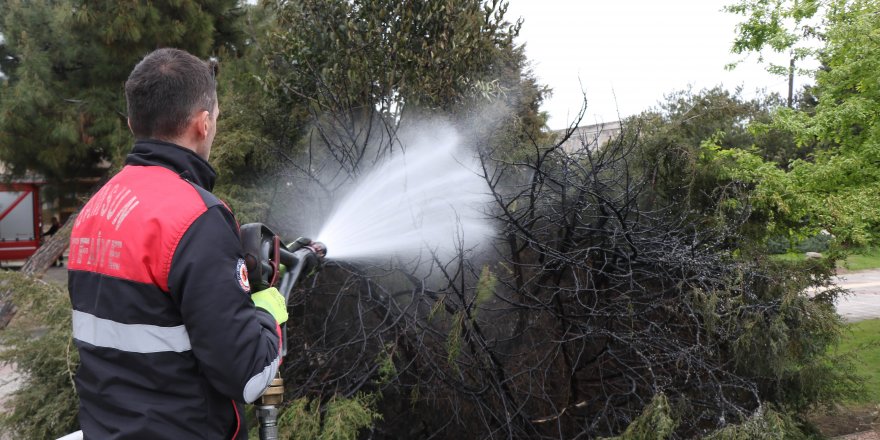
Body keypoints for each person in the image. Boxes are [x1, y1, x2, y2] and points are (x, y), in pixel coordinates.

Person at [67, 48, 289, 439]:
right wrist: (267, 310)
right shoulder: (196, 219)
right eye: (216, 118)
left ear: (134, 121)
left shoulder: (96, 209)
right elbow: (249, 376)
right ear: (203, 124)